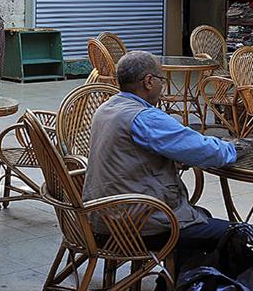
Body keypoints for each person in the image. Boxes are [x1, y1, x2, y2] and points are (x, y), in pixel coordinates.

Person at [83, 51, 240, 262]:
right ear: (149, 81)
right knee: (242, 237)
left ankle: (176, 281)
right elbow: (207, 150)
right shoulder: (145, 118)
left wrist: (169, 158)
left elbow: (131, 154)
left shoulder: (107, 108)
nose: (162, 86)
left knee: (203, 217)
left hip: (102, 218)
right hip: (136, 225)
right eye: (160, 80)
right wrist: (235, 148)